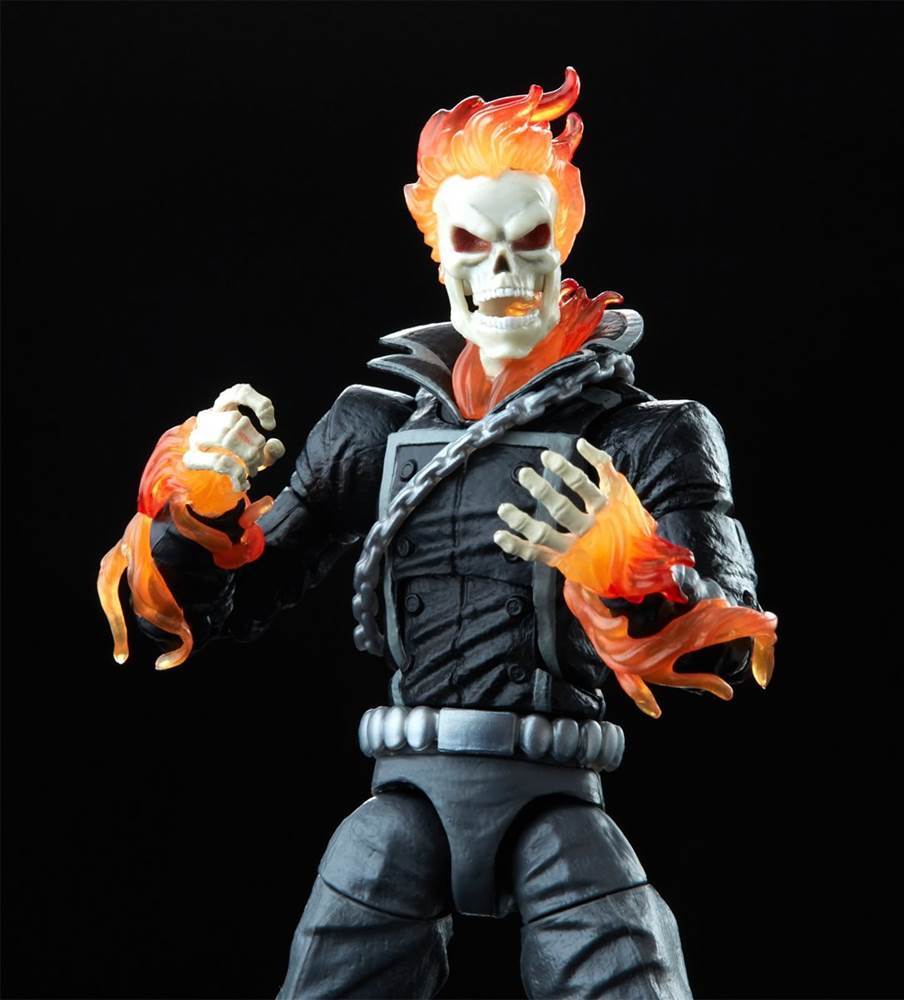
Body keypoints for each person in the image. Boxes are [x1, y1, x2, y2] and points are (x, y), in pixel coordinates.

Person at [98, 68, 776, 999]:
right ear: (441, 257)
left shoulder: (644, 435)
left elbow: (735, 640)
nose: (503, 272)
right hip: (408, 785)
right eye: (473, 244)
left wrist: (627, 561)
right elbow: (225, 605)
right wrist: (198, 506)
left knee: (622, 970)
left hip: (556, 789)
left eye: (528, 242)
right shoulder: (371, 430)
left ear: (562, 244)